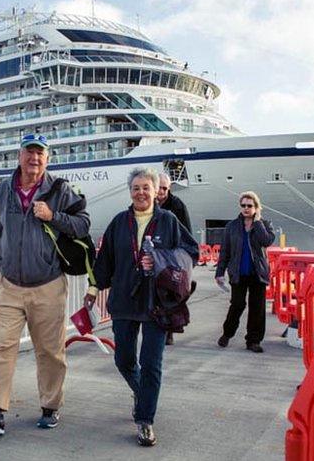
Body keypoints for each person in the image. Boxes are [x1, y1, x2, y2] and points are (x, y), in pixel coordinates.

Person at [0, 134, 91, 436]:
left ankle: (51, 406)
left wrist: (54, 216)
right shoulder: (2, 191)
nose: (34, 159)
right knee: (3, 347)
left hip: (48, 284)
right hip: (9, 283)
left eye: (40, 154)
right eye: (29, 153)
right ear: (19, 156)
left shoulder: (61, 190)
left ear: (47, 159)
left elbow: (84, 224)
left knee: (49, 351)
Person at [88, 167, 198, 447]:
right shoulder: (118, 222)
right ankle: (143, 393)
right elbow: (105, 262)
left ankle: (145, 419)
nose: (141, 193)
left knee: (152, 363)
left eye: (145, 188)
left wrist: (160, 258)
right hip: (124, 299)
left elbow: (190, 252)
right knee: (123, 359)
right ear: (130, 192)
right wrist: (92, 291)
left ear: (156, 191)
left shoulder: (169, 221)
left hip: (158, 302)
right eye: (136, 188)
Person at [214, 191, 275, 353]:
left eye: (250, 206)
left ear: (256, 207)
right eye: (243, 205)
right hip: (238, 272)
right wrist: (219, 272)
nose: (246, 208)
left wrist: (257, 223)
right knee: (237, 304)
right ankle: (227, 333)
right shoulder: (232, 227)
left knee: (257, 308)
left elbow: (267, 241)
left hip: (257, 273)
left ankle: (253, 341)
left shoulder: (264, 224)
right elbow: (225, 252)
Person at [156, 172, 192, 346]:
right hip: (154, 257)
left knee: (170, 295)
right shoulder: (147, 202)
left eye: (165, 188)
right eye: (159, 187)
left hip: (171, 258)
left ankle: (169, 331)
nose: (162, 191)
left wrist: (184, 260)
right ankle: (158, 327)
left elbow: (187, 233)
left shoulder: (177, 206)